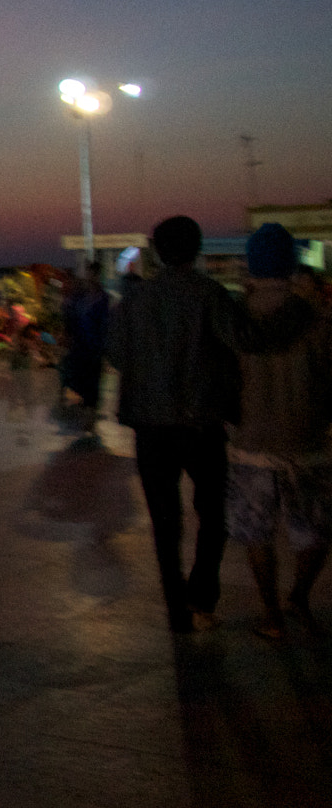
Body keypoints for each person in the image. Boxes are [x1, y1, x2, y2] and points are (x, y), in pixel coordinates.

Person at [106, 215, 316, 632]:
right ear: (197, 249)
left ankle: (176, 610)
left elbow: (116, 356)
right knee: (213, 516)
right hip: (201, 426)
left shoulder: (132, 302)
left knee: (165, 523)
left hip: (150, 429)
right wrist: (298, 310)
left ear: (158, 252)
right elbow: (249, 339)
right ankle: (202, 596)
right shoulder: (210, 295)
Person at [227, 225, 331, 639]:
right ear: (290, 263)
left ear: (252, 264)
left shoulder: (237, 320)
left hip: (251, 444)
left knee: (258, 533)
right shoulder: (318, 319)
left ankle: (271, 615)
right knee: (315, 532)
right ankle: (299, 598)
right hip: (307, 443)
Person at [59, 262, 110, 435]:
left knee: (92, 381)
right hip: (81, 346)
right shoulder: (84, 296)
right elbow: (70, 316)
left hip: (92, 347)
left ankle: (89, 416)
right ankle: (86, 414)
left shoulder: (100, 297)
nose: (90, 277)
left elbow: (104, 324)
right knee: (83, 380)